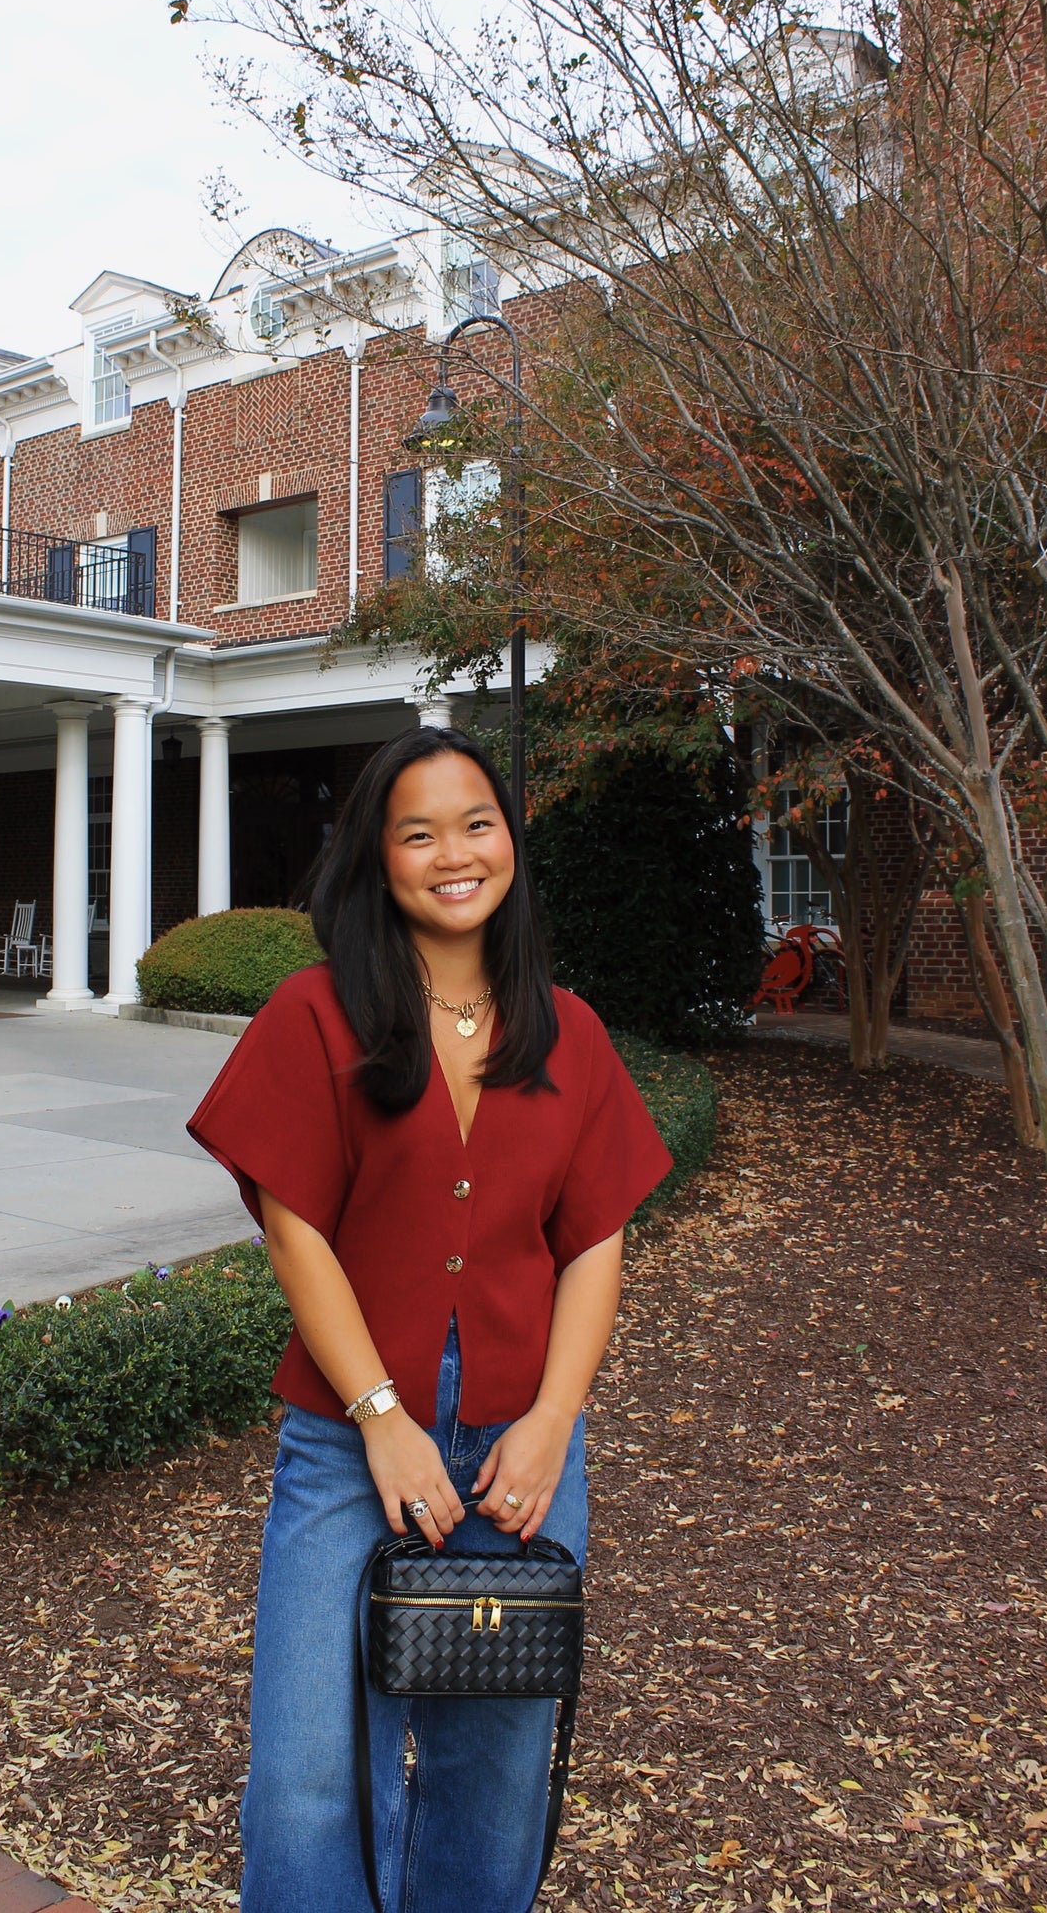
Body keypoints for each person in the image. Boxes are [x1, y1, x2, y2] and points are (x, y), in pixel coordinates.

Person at [188, 725, 670, 1913]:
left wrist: (554, 1419)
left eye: (477, 823)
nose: (453, 853)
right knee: (307, 1774)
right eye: (418, 832)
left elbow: (594, 1240)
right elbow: (293, 1226)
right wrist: (383, 1417)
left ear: (509, 841)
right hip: (349, 1451)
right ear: (376, 856)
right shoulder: (315, 1014)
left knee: (495, 1771)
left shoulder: (569, 1029)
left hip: (520, 1459)